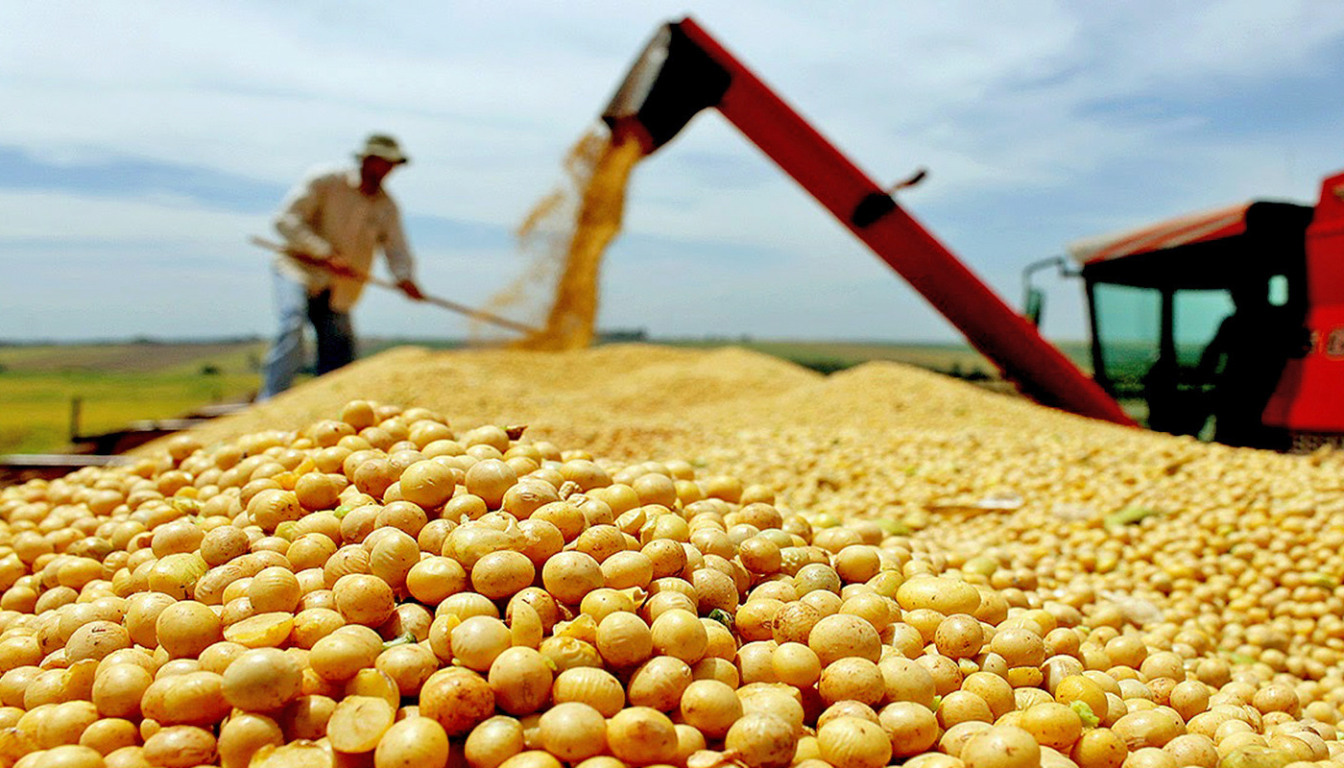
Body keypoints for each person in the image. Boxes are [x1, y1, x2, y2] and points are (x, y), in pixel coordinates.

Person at [259, 134, 425, 400]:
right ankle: (271, 400)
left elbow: (397, 249)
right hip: (298, 269)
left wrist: (405, 278)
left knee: (339, 351)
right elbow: (286, 221)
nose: (387, 169)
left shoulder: (387, 207)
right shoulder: (326, 181)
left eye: (391, 164)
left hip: (340, 285)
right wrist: (323, 253)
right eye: (383, 162)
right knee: (292, 324)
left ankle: (330, 407)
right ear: (367, 159)